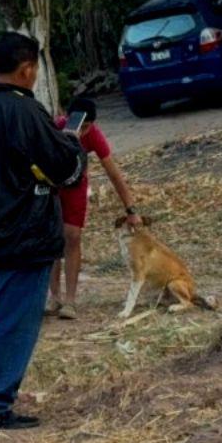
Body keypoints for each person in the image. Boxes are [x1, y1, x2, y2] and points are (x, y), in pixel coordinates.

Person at [0, 32, 85, 431]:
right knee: (13, 325)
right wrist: (73, 145)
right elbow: (66, 170)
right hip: (24, 234)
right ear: (27, 69)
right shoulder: (26, 112)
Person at [47, 97, 143, 320]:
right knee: (53, 238)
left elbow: (113, 173)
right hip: (53, 184)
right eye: (80, 124)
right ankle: (54, 296)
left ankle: (70, 300)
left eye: (87, 126)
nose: (83, 129)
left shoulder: (94, 135)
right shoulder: (56, 127)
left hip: (76, 186)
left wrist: (131, 209)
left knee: (73, 236)